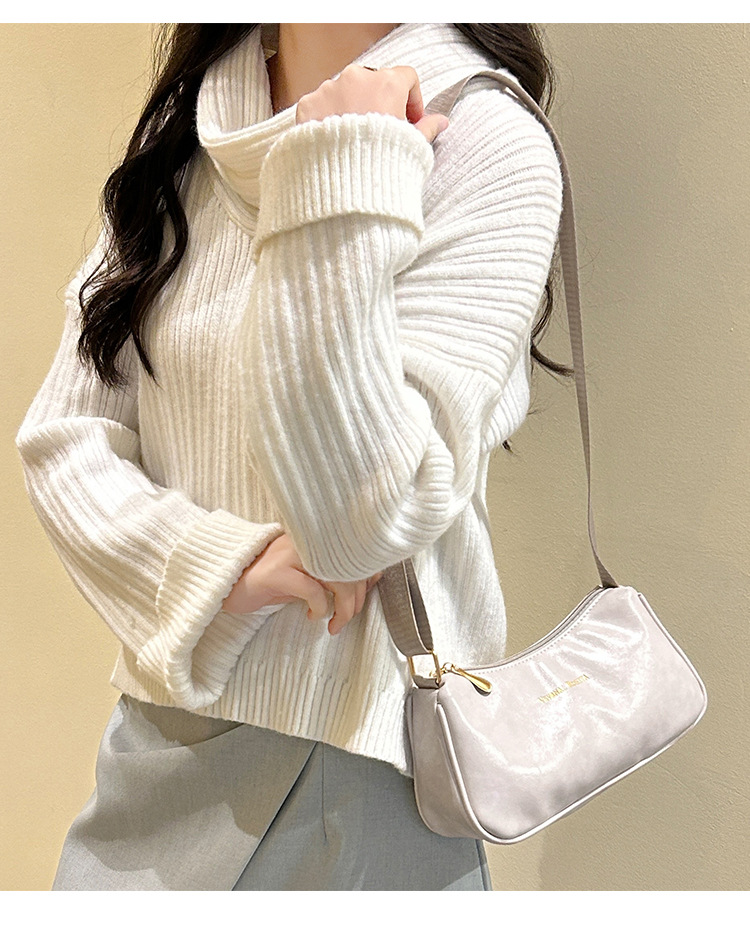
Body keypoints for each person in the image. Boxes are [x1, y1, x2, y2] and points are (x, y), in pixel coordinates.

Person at [16, 22, 565, 890]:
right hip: (163, 735)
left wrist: (338, 164)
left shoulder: (485, 135)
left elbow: (360, 521)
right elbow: (64, 438)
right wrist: (213, 569)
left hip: (359, 767)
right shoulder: (193, 132)